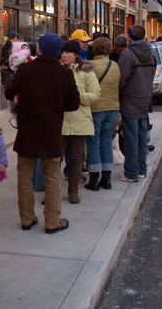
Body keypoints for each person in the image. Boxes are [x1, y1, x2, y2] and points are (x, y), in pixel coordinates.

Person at [5, 33, 79, 235]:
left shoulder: (25, 69)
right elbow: (74, 104)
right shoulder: (64, 73)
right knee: (52, 177)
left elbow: (8, 93)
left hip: (28, 131)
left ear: (40, 49)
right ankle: (52, 221)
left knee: (24, 176)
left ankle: (27, 218)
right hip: (52, 131)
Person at [59, 40, 100, 204]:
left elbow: (95, 94)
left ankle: (73, 191)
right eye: (62, 52)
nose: (64, 55)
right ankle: (52, 194)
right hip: (59, 122)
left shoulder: (86, 71)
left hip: (80, 120)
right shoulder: (57, 70)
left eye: (67, 52)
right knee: (55, 160)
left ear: (76, 54)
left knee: (76, 159)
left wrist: (76, 97)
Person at [117, 25, 156, 183]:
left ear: (131, 36)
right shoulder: (150, 54)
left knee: (130, 137)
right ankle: (141, 169)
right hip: (144, 99)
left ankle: (131, 172)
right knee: (141, 136)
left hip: (130, 100)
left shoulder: (128, 54)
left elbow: (121, 79)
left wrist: (119, 95)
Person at [87, 37, 121, 190]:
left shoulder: (91, 66)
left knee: (93, 143)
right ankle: (106, 178)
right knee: (107, 142)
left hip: (95, 108)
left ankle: (94, 177)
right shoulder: (115, 66)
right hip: (112, 108)